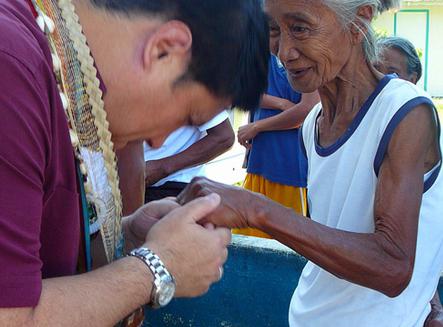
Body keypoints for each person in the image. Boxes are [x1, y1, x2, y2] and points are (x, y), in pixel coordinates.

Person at [0, 1, 269, 326]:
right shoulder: (12, 66)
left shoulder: (49, 64)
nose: (158, 143)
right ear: (164, 50)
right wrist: (156, 266)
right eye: (187, 118)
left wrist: (128, 233)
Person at [178, 0, 443, 326]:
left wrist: (256, 209)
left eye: (300, 28)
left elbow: (392, 265)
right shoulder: (313, 124)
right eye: (274, 30)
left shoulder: (405, 112)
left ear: (359, 22)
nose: (284, 52)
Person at [376, 35, 443, 325]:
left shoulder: (417, 117)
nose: (383, 79)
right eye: (377, 70)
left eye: (392, 72)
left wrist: (433, 300)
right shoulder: (379, 118)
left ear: (413, 78)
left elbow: (425, 222)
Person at [236, 54, 319, 238]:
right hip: (259, 160)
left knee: (286, 241)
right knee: (247, 238)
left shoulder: (309, 55)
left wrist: (257, 127)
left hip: (290, 165)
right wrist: (282, 104)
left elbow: (307, 111)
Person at [144, 111, 234, 203]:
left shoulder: (198, 98)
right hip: (135, 186)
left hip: (174, 185)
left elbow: (224, 137)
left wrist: (162, 168)